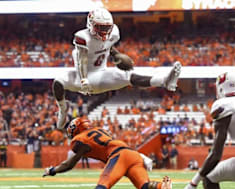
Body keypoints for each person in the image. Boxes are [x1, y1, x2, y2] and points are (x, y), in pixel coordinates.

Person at [53, 7, 182, 129]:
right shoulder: (83, 37)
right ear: (90, 24)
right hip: (82, 77)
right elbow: (83, 60)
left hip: (101, 75)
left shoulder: (113, 32)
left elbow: (106, 46)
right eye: (100, 27)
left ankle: (164, 80)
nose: (104, 31)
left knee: (128, 76)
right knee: (58, 81)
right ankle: (63, 109)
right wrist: (84, 80)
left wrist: (117, 55)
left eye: (106, 27)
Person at [43, 117, 172, 189]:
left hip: (118, 156)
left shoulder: (80, 139)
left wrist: (53, 170)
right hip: (132, 154)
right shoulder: (100, 130)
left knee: (100, 188)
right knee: (144, 188)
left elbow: (69, 164)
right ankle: (162, 185)